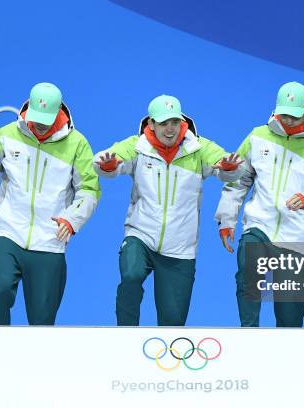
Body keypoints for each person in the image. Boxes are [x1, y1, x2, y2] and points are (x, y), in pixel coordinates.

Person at [0, 82, 100, 325]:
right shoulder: (6, 136)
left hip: (50, 243)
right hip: (9, 234)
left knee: (42, 323)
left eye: (47, 119)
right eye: (36, 117)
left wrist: (72, 220)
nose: (40, 124)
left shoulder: (77, 144)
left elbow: (89, 190)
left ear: (59, 113)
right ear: (28, 107)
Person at [94, 95, 243, 326]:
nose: (170, 129)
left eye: (174, 122)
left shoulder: (199, 149)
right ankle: (124, 335)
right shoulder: (137, 146)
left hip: (180, 249)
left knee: (172, 324)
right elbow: (109, 161)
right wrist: (108, 165)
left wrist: (229, 168)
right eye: (164, 123)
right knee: (131, 276)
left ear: (182, 123)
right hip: (141, 236)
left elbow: (225, 165)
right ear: (151, 124)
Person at [215, 82, 304, 327]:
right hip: (259, 226)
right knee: (247, 275)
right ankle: (248, 334)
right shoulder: (257, 136)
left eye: (294, 116)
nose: (288, 120)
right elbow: (238, 181)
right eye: (284, 114)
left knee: (289, 317)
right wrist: (226, 219)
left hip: (297, 236)